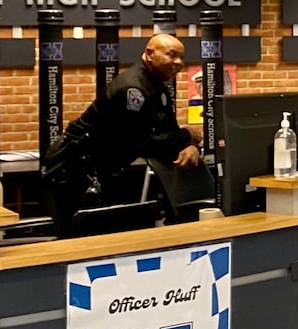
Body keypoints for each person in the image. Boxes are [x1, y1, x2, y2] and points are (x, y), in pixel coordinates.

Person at [41, 33, 203, 236]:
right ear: (150, 54)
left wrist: (189, 145)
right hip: (72, 169)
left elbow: (167, 132)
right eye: (171, 55)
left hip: (106, 170)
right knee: (78, 240)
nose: (178, 63)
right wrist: (187, 136)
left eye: (181, 57)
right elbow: (141, 143)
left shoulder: (157, 86)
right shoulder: (132, 89)